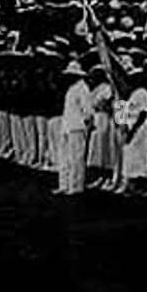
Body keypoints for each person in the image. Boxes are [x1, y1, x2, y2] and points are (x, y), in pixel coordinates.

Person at [119, 67, 147, 197]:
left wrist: (132, 132)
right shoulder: (132, 94)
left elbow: (143, 114)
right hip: (130, 127)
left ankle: (141, 186)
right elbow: (124, 112)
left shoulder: (143, 93)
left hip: (140, 129)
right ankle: (130, 185)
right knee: (130, 156)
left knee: (139, 158)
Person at [60, 61, 92, 195]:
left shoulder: (83, 88)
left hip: (77, 127)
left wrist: (85, 124)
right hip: (67, 125)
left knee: (76, 158)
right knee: (65, 157)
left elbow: (88, 111)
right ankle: (65, 184)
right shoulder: (71, 88)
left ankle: (76, 186)